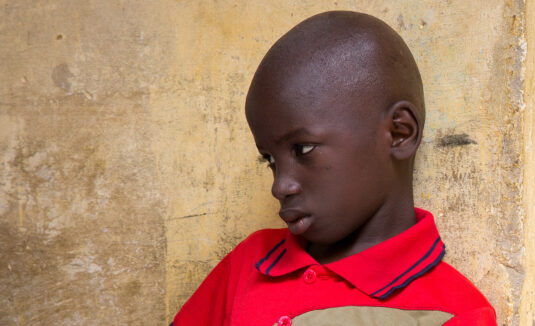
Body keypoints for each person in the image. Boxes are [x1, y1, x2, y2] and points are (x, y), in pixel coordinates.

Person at [172, 11, 496, 326]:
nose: (280, 186)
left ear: (399, 133)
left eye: (303, 149)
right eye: (270, 160)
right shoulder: (248, 266)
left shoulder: (455, 312)